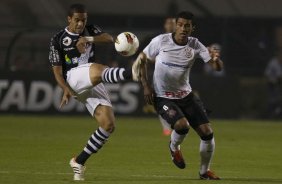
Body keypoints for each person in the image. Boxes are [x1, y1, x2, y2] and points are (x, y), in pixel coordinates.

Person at [49, 4, 144, 181]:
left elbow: (109, 38)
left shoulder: (89, 30)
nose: (80, 23)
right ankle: (131, 73)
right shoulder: (58, 39)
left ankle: (79, 161)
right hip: (73, 78)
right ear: (69, 19)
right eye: (77, 20)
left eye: (83, 20)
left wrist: (89, 39)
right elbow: (56, 69)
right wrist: (65, 89)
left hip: (92, 81)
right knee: (100, 69)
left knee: (108, 125)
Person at [134, 11, 223, 180]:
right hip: (163, 96)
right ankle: (174, 148)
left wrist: (216, 59)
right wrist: (146, 86)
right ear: (176, 25)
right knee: (182, 125)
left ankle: (204, 172)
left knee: (207, 133)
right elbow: (141, 60)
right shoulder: (161, 41)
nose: (183, 28)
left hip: (186, 95)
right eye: (180, 25)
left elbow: (216, 67)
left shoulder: (195, 45)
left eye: (187, 26)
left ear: (192, 28)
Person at [264, 49, 282, 118]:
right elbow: (267, 74)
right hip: (272, 84)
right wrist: (272, 81)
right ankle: (271, 115)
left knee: (278, 100)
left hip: (279, 84)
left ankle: (278, 113)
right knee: (273, 100)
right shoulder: (273, 63)